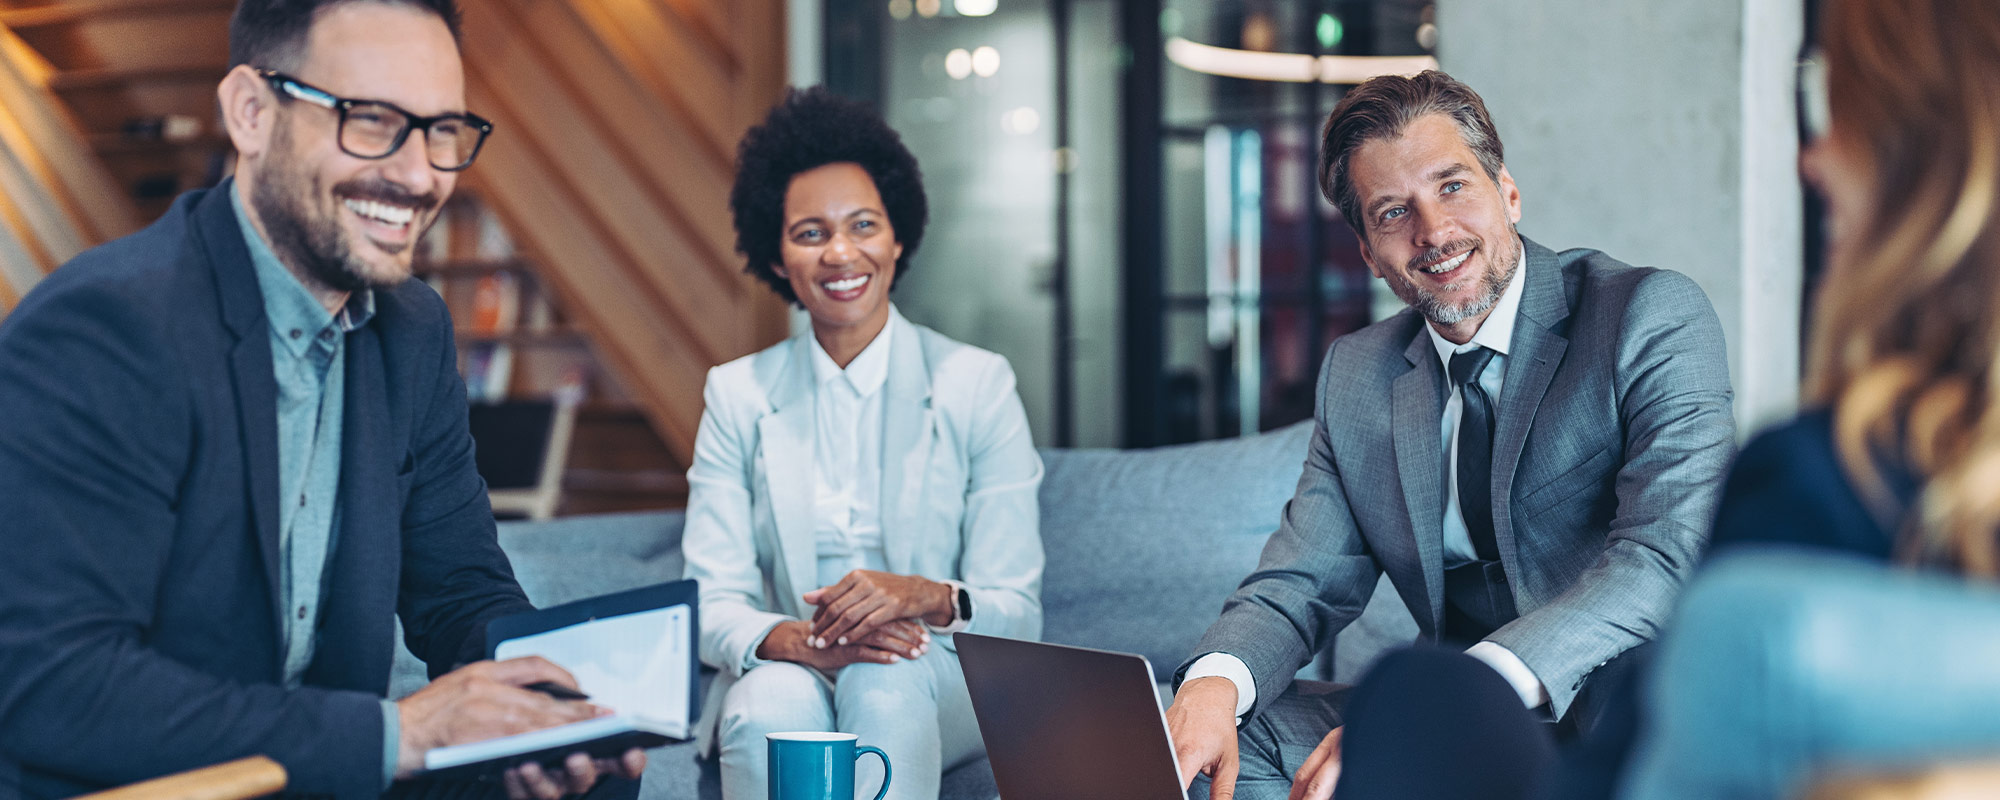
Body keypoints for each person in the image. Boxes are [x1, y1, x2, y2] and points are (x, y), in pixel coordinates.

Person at [0, 1, 644, 797]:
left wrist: (551, 701)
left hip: (330, 768)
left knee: (584, 773)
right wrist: (396, 734)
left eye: (442, 131)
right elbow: (56, 687)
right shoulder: (107, 327)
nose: (418, 176)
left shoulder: (411, 329)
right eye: (372, 120)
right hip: (158, 780)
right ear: (251, 113)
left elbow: (460, 590)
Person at [1163, 69, 1738, 800]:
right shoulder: (1358, 374)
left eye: (1453, 187)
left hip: (1627, 722)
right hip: (1456, 746)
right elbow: (1303, 581)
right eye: (1393, 211)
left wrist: (1439, 708)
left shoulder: (1648, 316)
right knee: (1224, 745)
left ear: (1508, 192)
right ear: (1369, 253)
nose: (1433, 232)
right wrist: (1214, 684)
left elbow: (1666, 555)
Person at [1619, 0, 2000, 794]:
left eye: (1835, 111)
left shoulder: (1825, 480)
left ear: (1926, 159)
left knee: (1421, 698)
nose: (1810, 158)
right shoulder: (1365, 375)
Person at [681, 87, 1044, 800]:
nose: (840, 252)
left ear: (898, 235)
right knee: (765, 707)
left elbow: (1018, 612)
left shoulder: (977, 384)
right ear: (778, 256)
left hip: (933, 665)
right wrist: (801, 641)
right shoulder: (737, 394)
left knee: (883, 685)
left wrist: (924, 596)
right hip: (792, 658)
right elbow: (709, 599)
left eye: (863, 225)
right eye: (810, 233)